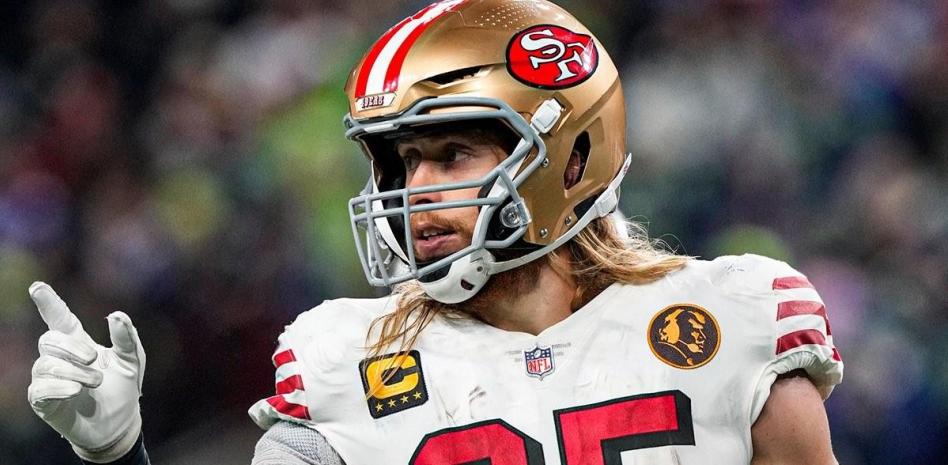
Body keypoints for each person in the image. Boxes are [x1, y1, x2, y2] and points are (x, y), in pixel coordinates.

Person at [27, 1, 844, 464]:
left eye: (452, 154)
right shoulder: (346, 359)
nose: (415, 192)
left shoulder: (730, 319)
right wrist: (120, 453)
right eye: (402, 162)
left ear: (571, 156)